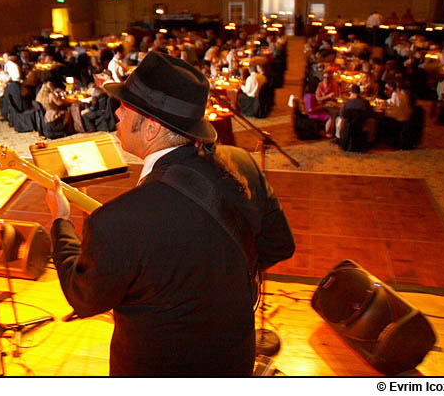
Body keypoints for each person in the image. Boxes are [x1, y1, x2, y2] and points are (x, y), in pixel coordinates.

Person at [45, 51, 295, 376]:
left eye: (126, 106)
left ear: (150, 128)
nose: (116, 112)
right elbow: (279, 245)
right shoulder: (242, 164)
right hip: (235, 357)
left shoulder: (117, 221)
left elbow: (84, 297)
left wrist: (60, 222)